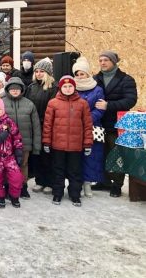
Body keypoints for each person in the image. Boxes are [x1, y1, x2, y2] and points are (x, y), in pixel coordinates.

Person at [43, 76, 93, 206]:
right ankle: (57, 193)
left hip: (76, 146)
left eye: (70, 86)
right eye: (65, 86)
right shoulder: (53, 103)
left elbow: (87, 125)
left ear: (74, 87)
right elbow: (47, 125)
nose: (68, 88)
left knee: (75, 171)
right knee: (58, 170)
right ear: (60, 88)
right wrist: (47, 142)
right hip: (57, 145)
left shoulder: (82, 103)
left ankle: (75, 194)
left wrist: (87, 143)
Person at [93, 50, 137, 197]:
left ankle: (117, 185)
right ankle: (104, 181)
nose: (102, 63)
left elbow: (130, 100)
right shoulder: (95, 79)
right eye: (100, 60)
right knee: (101, 153)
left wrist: (109, 105)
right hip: (99, 124)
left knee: (117, 155)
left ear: (113, 62)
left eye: (106, 60)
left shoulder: (126, 79)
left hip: (116, 125)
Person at [3, 77, 41, 199]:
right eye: (12, 89)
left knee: (23, 165)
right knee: (7, 165)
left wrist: (36, 145)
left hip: (25, 142)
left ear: (22, 90)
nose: (15, 91)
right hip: (6, 142)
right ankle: (8, 186)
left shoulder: (29, 104)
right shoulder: (1, 103)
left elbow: (36, 126)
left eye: (17, 89)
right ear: (8, 90)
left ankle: (23, 187)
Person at [72, 57, 105, 198]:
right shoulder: (72, 89)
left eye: (82, 74)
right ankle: (77, 183)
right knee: (76, 157)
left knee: (91, 156)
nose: (80, 77)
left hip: (92, 127)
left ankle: (87, 183)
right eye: (77, 74)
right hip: (75, 128)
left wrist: (88, 119)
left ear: (87, 74)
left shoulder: (97, 89)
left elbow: (100, 108)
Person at [25, 58, 58, 195]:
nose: (38, 74)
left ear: (48, 73)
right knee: (36, 154)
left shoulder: (54, 88)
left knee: (48, 155)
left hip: (47, 125)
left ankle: (49, 182)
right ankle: (39, 181)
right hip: (33, 125)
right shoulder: (31, 87)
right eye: (36, 71)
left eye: (41, 71)